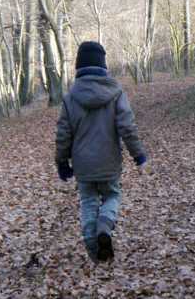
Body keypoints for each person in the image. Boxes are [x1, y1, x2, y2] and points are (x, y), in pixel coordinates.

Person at [55, 42, 148, 263]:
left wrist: (61, 162)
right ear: (103, 66)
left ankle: (91, 242)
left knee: (88, 201)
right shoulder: (116, 93)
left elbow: (63, 134)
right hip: (109, 162)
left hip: (83, 165)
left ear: (78, 67)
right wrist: (138, 155)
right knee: (112, 195)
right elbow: (127, 126)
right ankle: (105, 226)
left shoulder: (70, 98)